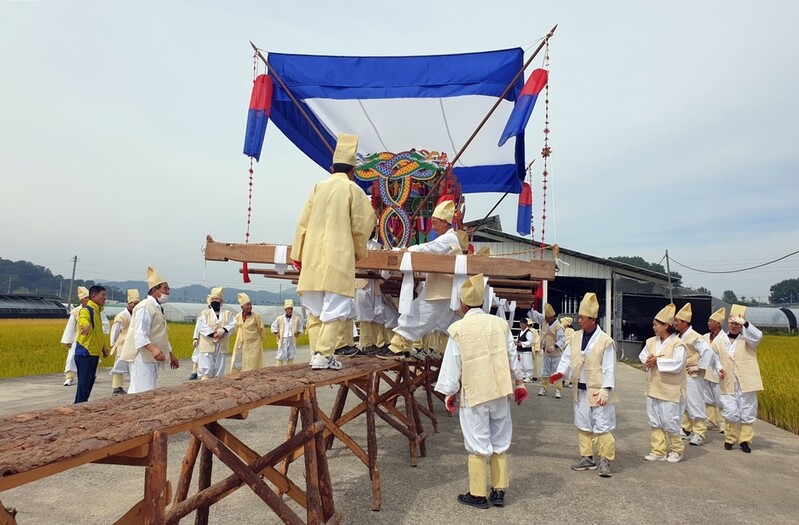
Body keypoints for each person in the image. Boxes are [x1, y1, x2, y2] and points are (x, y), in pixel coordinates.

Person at [435, 274, 528, 509]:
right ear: (483, 303)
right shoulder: (500, 324)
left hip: (475, 394)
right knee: (500, 440)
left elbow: (452, 364)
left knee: (477, 444)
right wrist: (519, 383)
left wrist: (449, 393)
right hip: (499, 392)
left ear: (464, 305)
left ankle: (477, 494)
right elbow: (511, 356)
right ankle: (499, 491)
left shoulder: (458, 328)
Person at [291, 133, 376, 370]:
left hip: (312, 256)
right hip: (338, 255)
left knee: (315, 309)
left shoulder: (318, 187)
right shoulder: (353, 190)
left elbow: (302, 223)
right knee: (336, 308)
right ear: (353, 170)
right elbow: (363, 226)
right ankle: (324, 354)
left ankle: (317, 353)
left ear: (331, 167)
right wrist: (359, 252)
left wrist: (297, 254)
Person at [380, 199, 462, 360]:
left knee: (417, 314)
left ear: (445, 222)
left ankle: (398, 346)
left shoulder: (449, 239)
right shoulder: (448, 237)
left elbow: (428, 249)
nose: (433, 226)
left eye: (435, 222)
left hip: (441, 290)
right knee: (424, 316)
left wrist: (406, 250)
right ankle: (403, 346)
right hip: (440, 288)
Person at [549, 292, 618, 478]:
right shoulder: (576, 337)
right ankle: (587, 457)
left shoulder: (605, 341)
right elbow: (567, 358)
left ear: (593, 319)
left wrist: (606, 388)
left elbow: (610, 367)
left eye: (582, 317)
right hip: (579, 389)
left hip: (598, 390)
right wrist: (560, 372)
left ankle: (605, 460)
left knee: (602, 426)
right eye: (578, 316)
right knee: (583, 424)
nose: (578, 320)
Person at [711, 304, 763, 453]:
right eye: (732, 323)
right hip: (728, 381)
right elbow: (714, 357)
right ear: (728, 323)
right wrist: (719, 368)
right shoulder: (720, 340)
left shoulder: (748, 340)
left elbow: (758, 335)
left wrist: (745, 324)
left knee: (747, 412)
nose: (734, 326)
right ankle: (730, 438)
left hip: (746, 381)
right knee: (731, 411)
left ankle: (745, 440)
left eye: (737, 324)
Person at [639, 304, 687, 463]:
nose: (653, 327)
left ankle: (676, 450)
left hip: (670, 389)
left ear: (666, 325)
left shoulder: (678, 344)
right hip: (653, 387)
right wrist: (648, 360)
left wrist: (657, 361)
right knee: (655, 419)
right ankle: (658, 450)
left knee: (670, 420)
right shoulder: (651, 341)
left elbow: (678, 364)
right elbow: (643, 356)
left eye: (656, 324)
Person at [120, 267, 179, 393]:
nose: (168, 292)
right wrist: (153, 349)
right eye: (165, 288)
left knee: (146, 389)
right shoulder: (145, 307)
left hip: (151, 356)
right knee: (143, 391)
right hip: (142, 356)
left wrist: (170, 354)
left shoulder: (157, 307)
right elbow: (140, 333)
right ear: (155, 290)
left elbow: (161, 334)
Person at [673, 302, 718, 446]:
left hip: (692, 374)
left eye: (677, 321)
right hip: (682, 374)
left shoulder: (694, 336)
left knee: (695, 402)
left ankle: (699, 432)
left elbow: (708, 351)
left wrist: (700, 367)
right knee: (684, 402)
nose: (674, 323)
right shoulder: (680, 336)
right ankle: (686, 428)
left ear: (684, 322)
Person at [73, 285, 110, 403]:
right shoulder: (87, 309)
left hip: (93, 352)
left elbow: (98, 332)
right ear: (94, 296)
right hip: (85, 352)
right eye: (103, 295)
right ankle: (78, 405)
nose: (105, 298)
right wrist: (85, 325)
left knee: (89, 381)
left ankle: (82, 404)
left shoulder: (97, 311)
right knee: (84, 383)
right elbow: (83, 319)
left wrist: (103, 347)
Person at [196, 287, 236, 379]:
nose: (214, 301)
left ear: (221, 301)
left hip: (221, 345)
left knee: (219, 369)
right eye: (213, 299)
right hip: (208, 344)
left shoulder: (227, 313)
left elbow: (233, 324)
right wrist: (213, 334)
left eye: (217, 299)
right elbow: (202, 326)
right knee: (206, 369)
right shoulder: (205, 313)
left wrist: (224, 330)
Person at [528, 303, 565, 398]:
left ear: (552, 317)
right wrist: (530, 308)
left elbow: (562, 339)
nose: (546, 319)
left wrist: (554, 346)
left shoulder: (558, 326)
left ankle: (558, 389)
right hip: (546, 351)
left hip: (556, 353)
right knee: (545, 371)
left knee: (556, 371)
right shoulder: (545, 321)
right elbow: (536, 316)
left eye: (548, 317)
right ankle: (543, 388)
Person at [108, 289, 140, 396]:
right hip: (122, 345)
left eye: (137, 304)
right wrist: (113, 344)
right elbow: (115, 331)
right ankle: (117, 387)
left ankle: (134, 386)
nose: (135, 306)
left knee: (134, 366)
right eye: (134, 304)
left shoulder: (138, 315)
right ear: (129, 303)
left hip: (133, 345)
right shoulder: (121, 316)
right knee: (119, 367)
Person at [702, 307, 726, 433]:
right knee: (708, 399)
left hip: (718, 373)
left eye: (711, 321)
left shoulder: (724, 338)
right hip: (706, 372)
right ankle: (711, 421)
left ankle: (723, 423)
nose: (708, 323)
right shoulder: (704, 337)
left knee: (720, 400)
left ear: (717, 323)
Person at [59, 286, 89, 386]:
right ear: (81, 299)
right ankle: (69, 377)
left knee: (90, 358)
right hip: (77, 338)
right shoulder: (76, 311)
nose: (88, 300)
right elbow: (71, 326)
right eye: (86, 298)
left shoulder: (95, 309)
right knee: (72, 358)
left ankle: (88, 375)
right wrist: (68, 340)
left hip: (90, 339)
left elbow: (103, 323)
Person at [232, 293, 266, 372]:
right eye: (247, 305)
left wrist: (259, 340)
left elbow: (261, 329)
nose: (249, 307)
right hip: (242, 343)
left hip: (254, 344)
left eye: (250, 305)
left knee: (253, 363)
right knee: (241, 361)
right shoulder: (237, 316)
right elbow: (236, 328)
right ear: (242, 307)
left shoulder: (256, 316)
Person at [271, 299, 303, 366]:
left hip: (291, 339)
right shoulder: (280, 318)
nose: (289, 310)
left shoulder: (296, 318)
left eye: (291, 309)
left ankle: (289, 369)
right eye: (288, 309)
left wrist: (297, 333)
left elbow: (300, 328)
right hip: (283, 339)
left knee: (291, 355)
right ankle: (279, 369)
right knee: (280, 355)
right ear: (285, 309)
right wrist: (277, 333)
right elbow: (273, 326)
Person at [516, 318, 536, 383]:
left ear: (525, 325)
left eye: (522, 324)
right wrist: (516, 342)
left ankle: (529, 376)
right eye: (520, 324)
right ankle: (522, 376)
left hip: (526, 351)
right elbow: (517, 339)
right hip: (520, 350)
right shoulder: (520, 332)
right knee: (520, 364)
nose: (520, 326)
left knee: (527, 364)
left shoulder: (529, 333)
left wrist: (522, 343)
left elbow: (530, 342)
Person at [559, 316, 575, 388]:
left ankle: (569, 380)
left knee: (569, 365)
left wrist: (564, 344)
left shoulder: (571, 330)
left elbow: (569, 339)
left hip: (568, 349)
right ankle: (561, 380)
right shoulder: (561, 329)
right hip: (562, 349)